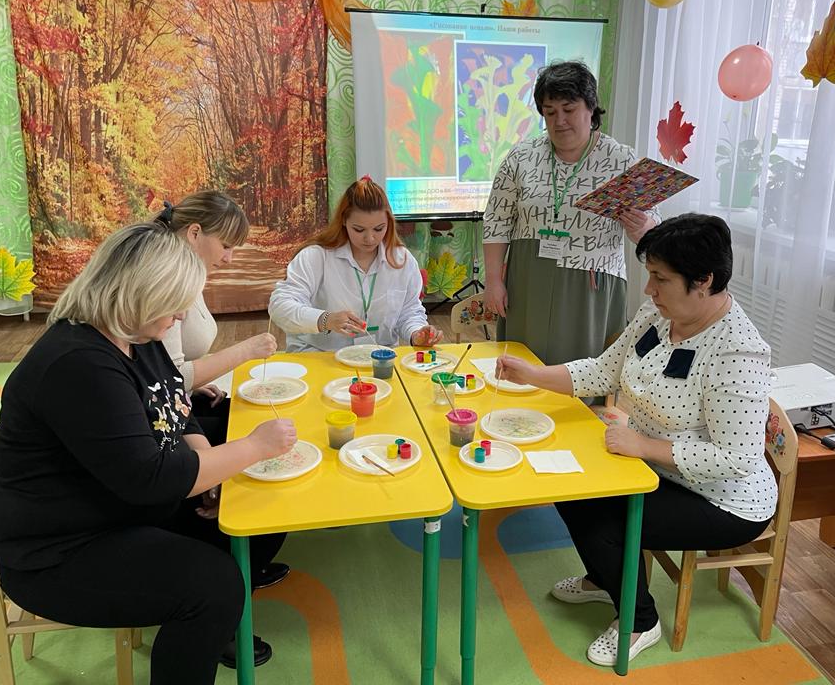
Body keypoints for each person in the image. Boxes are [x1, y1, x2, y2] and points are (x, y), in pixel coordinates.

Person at [0, 222, 297, 684]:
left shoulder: (137, 338)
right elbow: (152, 479)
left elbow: (176, 407)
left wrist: (208, 468)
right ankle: (209, 623)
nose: (180, 316)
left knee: (257, 516)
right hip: (59, 550)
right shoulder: (79, 364)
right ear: (138, 296)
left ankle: (215, 627)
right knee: (213, 586)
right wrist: (252, 446)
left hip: (115, 506)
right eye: (174, 305)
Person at [495, 214, 776, 666]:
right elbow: (603, 370)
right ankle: (603, 578)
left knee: (604, 524)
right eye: (650, 275)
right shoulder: (660, 314)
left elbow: (736, 458)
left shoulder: (738, 352)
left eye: (661, 279)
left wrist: (643, 447)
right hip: (657, 469)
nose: (649, 289)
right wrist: (533, 375)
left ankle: (640, 620)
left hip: (722, 500)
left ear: (703, 281)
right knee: (569, 486)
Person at [154, 192, 289, 593]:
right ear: (194, 233)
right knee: (260, 463)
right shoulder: (166, 283)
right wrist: (212, 466)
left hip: (172, 411)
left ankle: (242, 560)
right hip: (160, 441)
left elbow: (169, 385)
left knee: (242, 422)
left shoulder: (185, 275)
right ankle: (233, 570)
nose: (229, 258)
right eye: (226, 246)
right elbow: (168, 382)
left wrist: (191, 388)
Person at [482, 60, 658, 365]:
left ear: (591, 108)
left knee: (583, 369)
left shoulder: (621, 160)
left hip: (591, 286)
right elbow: (497, 220)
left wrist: (643, 228)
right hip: (529, 280)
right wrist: (494, 280)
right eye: (550, 112)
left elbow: (655, 224)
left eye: (568, 109)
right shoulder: (522, 157)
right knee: (524, 365)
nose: (559, 121)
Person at [269, 176, 443, 352]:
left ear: (389, 222)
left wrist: (416, 333)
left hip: (378, 357)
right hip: (320, 354)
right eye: (359, 230)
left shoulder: (402, 260)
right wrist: (325, 320)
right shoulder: (315, 257)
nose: (370, 238)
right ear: (344, 221)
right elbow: (280, 306)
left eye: (379, 229)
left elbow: (409, 312)